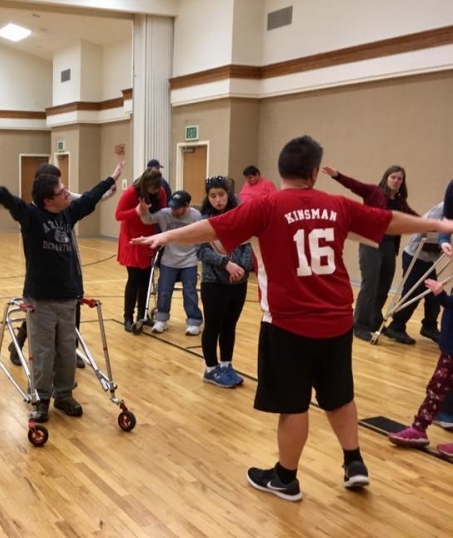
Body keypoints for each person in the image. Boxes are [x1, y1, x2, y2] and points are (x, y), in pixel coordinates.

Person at [131, 135, 453, 502]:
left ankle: (286, 478)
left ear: (280, 169)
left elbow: (212, 229)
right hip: (337, 321)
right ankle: (354, 461)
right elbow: (388, 220)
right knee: (339, 396)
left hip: (287, 323)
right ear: (314, 173)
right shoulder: (336, 205)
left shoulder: (266, 206)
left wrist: (166, 236)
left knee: (293, 405)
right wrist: (441, 226)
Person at [0, 161, 124, 422]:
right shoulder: (33, 218)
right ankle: (41, 398)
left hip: (67, 297)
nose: (67, 193)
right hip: (41, 299)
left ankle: (64, 395)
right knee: (44, 353)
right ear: (48, 200)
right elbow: (15, 205)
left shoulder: (68, 213)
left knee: (67, 351)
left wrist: (111, 178)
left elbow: (90, 198)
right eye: (62, 191)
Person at [9, 163, 116, 368]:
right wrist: (108, 188)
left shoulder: (62, 199)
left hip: (69, 257)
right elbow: (81, 198)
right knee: (41, 312)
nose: (63, 188)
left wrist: (108, 189)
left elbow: (84, 198)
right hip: (46, 267)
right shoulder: (35, 210)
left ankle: (70, 350)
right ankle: (19, 344)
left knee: (74, 303)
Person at [322, 164, 418, 342]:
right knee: (370, 285)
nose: (396, 181)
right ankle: (360, 325)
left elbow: (412, 216)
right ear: (386, 178)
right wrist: (337, 175)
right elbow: (355, 185)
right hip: (370, 244)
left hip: (389, 247)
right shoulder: (374, 192)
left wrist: (434, 225)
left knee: (384, 286)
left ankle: (374, 320)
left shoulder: (400, 202)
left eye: (400, 179)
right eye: (393, 177)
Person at [386, 276, 453, 459]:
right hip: (449, 349)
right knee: (436, 390)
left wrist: (441, 295)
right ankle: (418, 428)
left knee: (438, 390)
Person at [196, 177, 253, 388]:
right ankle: (211, 369)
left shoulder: (239, 216)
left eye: (221, 195)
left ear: (228, 194)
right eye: (213, 196)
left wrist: (242, 268)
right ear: (208, 197)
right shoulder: (204, 222)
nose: (218, 200)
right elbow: (202, 251)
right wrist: (227, 264)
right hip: (214, 283)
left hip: (239, 282)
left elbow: (248, 245)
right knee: (213, 326)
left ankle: (226, 365)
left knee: (230, 326)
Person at [136, 190, 203, 335]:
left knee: (190, 292)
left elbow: (203, 233)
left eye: (177, 208)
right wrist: (143, 211)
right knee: (164, 291)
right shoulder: (165, 213)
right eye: (172, 206)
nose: (173, 210)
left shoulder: (196, 216)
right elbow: (148, 220)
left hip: (189, 260)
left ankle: (193, 321)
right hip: (169, 260)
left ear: (186, 206)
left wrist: (197, 252)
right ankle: (161, 319)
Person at [382, 202, 445, 344]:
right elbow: (428, 227)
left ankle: (429, 326)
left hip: (427, 258)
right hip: (415, 254)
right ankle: (396, 326)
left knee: (433, 293)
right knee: (412, 293)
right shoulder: (443, 208)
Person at [115, 168, 167, 332]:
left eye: (157, 188)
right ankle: (128, 317)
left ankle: (142, 315)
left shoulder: (161, 192)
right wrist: (136, 211)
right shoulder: (131, 193)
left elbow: (163, 212)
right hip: (132, 238)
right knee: (134, 279)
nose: (156, 191)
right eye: (153, 188)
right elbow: (118, 215)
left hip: (149, 238)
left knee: (147, 279)